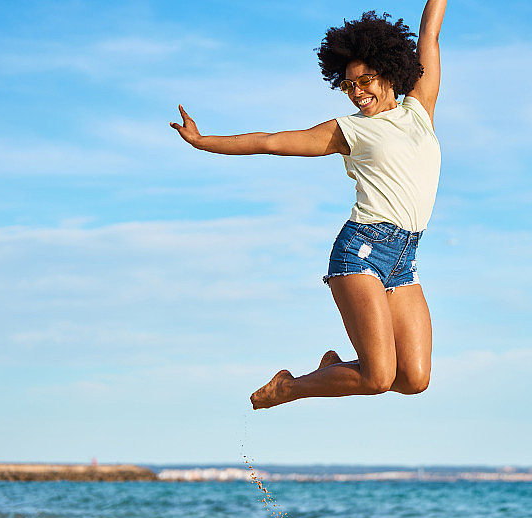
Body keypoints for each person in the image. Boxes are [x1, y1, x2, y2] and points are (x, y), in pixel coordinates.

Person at [170, 0, 447, 409]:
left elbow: (430, 34)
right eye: (348, 85)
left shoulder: (419, 109)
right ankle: (288, 387)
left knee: (414, 378)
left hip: (406, 257)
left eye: (365, 80)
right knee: (377, 377)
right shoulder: (349, 130)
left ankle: (331, 367)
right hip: (363, 251)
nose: (357, 92)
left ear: (388, 71)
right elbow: (270, 142)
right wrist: (203, 141)